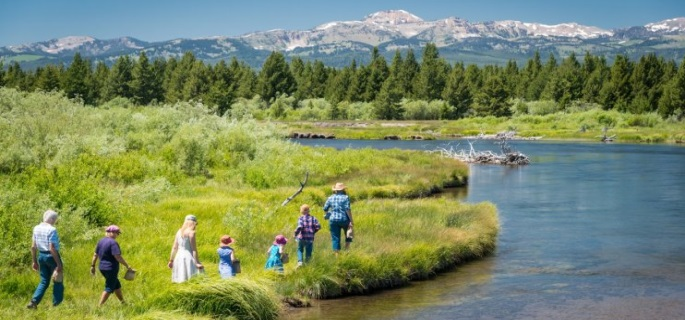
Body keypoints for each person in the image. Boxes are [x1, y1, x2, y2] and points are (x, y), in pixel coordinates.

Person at [27, 209, 64, 309]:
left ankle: (34, 301)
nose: (55, 221)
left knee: (44, 281)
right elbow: (52, 248)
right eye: (55, 219)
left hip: (41, 256)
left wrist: (34, 261)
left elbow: (33, 246)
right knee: (58, 280)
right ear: (51, 219)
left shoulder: (36, 228)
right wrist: (59, 264)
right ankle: (57, 305)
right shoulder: (52, 230)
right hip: (52, 257)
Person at [90, 225, 133, 306]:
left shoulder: (101, 241)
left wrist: (92, 266)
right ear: (112, 233)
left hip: (102, 268)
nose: (117, 235)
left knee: (116, 284)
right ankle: (99, 306)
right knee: (109, 287)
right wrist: (127, 265)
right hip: (111, 269)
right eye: (117, 233)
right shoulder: (113, 243)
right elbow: (117, 257)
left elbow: (95, 254)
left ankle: (123, 303)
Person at [168, 214, 204, 283]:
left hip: (178, 257)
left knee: (180, 279)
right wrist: (197, 262)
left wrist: (171, 260)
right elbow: (194, 250)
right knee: (193, 280)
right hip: (188, 257)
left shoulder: (179, 231)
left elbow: (174, 247)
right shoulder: (191, 233)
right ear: (194, 223)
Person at [323, 182, 354, 254]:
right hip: (344, 219)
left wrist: (328, 214)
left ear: (335, 190)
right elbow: (347, 209)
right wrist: (351, 221)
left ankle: (337, 256)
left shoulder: (330, 198)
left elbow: (325, 208)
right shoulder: (345, 197)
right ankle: (347, 251)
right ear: (343, 190)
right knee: (349, 234)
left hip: (333, 220)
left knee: (335, 238)